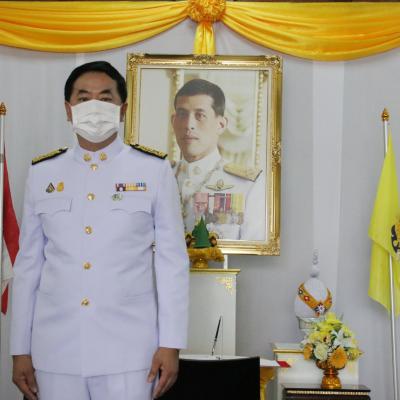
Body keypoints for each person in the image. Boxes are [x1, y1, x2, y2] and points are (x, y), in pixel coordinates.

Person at [10, 61, 189, 400]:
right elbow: (28, 265)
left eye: (105, 98)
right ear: (68, 110)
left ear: (122, 109)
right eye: (83, 98)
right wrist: (19, 348)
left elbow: (172, 264)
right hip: (55, 349)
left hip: (130, 351)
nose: (94, 107)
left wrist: (171, 343)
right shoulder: (43, 173)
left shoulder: (153, 170)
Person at [171, 78, 265, 241]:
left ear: (221, 125)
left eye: (200, 115)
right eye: (182, 114)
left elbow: (253, 249)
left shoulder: (248, 184)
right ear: (173, 121)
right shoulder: (158, 176)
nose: (188, 124)